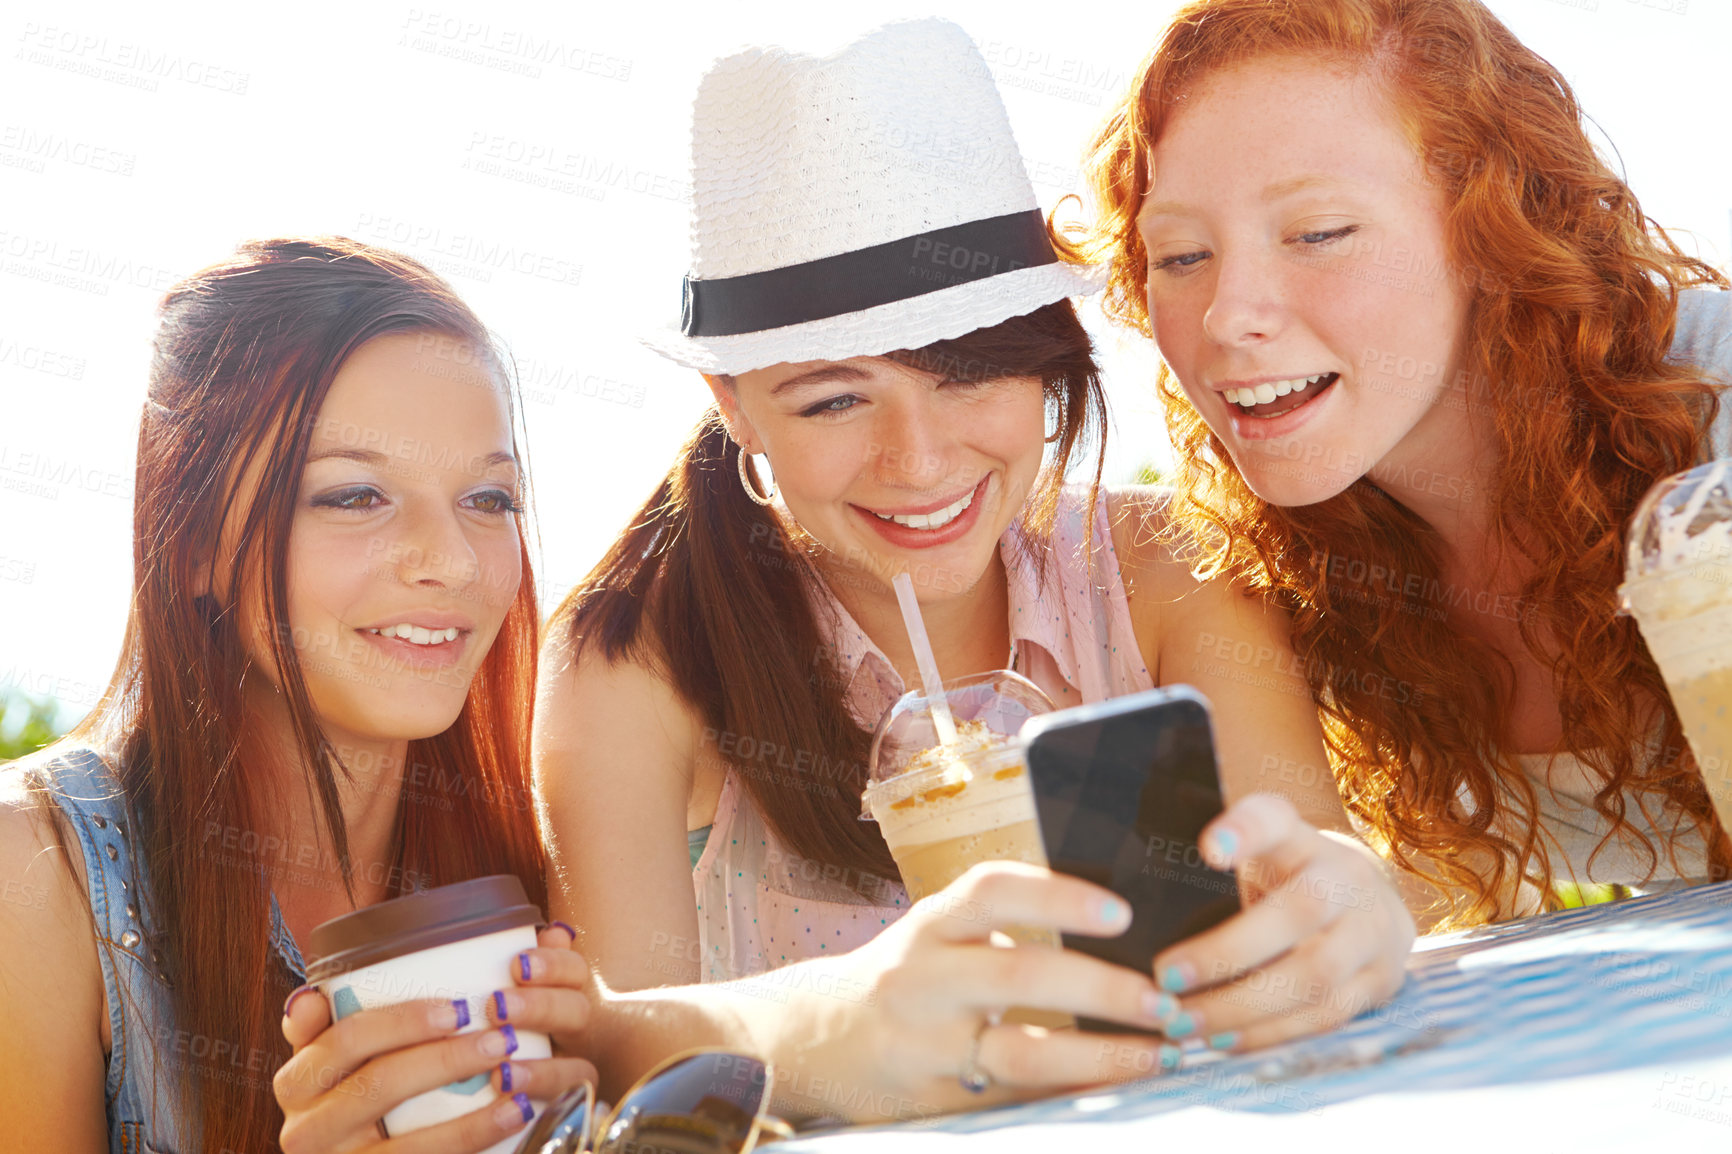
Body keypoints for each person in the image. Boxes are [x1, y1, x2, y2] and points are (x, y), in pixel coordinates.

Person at [536, 19, 1414, 1123]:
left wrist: (1355, 896)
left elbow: (1309, 853)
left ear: (1043, 354)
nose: (921, 460)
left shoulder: (1166, 573)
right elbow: (619, 1056)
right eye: (834, 398)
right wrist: (835, 1022)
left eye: (968, 372)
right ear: (735, 405)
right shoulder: (635, 661)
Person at [1065, 0, 1732, 927]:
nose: (1227, 314)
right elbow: (1421, 930)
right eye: (1181, 255)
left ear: (1493, 227)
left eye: (1319, 233)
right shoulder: (1296, 569)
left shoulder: (1713, 423)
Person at [0, 238, 595, 1154]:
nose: (454, 560)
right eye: (355, 496)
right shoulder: (35, 878)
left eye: (489, 497)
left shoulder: (549, 847)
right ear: (194, 541)